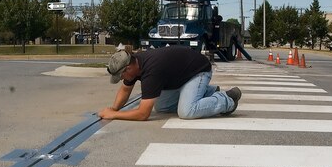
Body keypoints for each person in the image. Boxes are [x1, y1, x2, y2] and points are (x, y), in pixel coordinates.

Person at [98, 46, 241, 121]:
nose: (122, 78)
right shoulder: (134, 64)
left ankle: (226, 100)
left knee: (186, 112)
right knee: (161, 107)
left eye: (121, 75)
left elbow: (143, 114)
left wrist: (114, 115)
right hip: (182, 76)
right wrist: (114, 109)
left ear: (128, 68)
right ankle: (207, 92)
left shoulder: (151, 71)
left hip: (198, 71)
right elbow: (125, 90)